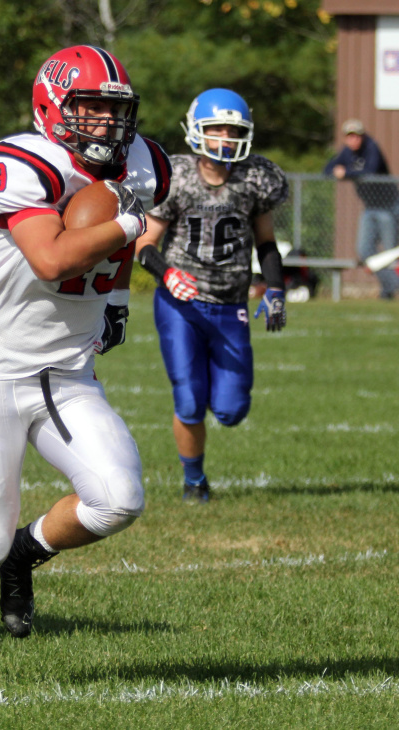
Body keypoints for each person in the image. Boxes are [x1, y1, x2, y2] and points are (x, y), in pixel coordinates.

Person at [0, 46, 171, 681]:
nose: (106, 125)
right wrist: (130, 221)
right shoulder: (20, 161)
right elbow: (52, 260)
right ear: (53, 107)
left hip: (66, 371)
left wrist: (113, 299)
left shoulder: (146, 162)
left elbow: (127, 239)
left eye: (115, 111)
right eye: (90, 109)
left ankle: (30, 553)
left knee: (117, 498)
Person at [134, 88, 289, 504]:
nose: (225, 136)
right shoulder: (178, 175)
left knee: (232, 410)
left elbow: (267, 243)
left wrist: (275, 288)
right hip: (180, 304)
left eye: (233, 129)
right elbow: (144, 244)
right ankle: (194, 481)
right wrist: (166, 275)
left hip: (230, 304)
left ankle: (198, 472)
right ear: (197, 130)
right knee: (188, 398)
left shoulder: (256, 178)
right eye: (216, 127)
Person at [324, 119, 399, 299]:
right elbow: (327, 169)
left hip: (388, 207)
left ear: (362, 136)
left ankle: (388, 290)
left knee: (390, 252)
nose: (353, 140)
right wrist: (337, 171)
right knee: (364, 249)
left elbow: (371, 170)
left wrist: (346, 173)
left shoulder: (372, 147)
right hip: (370, 208)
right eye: (349, 137)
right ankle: (391, 286)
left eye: (356, 136)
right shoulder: (347, 153)